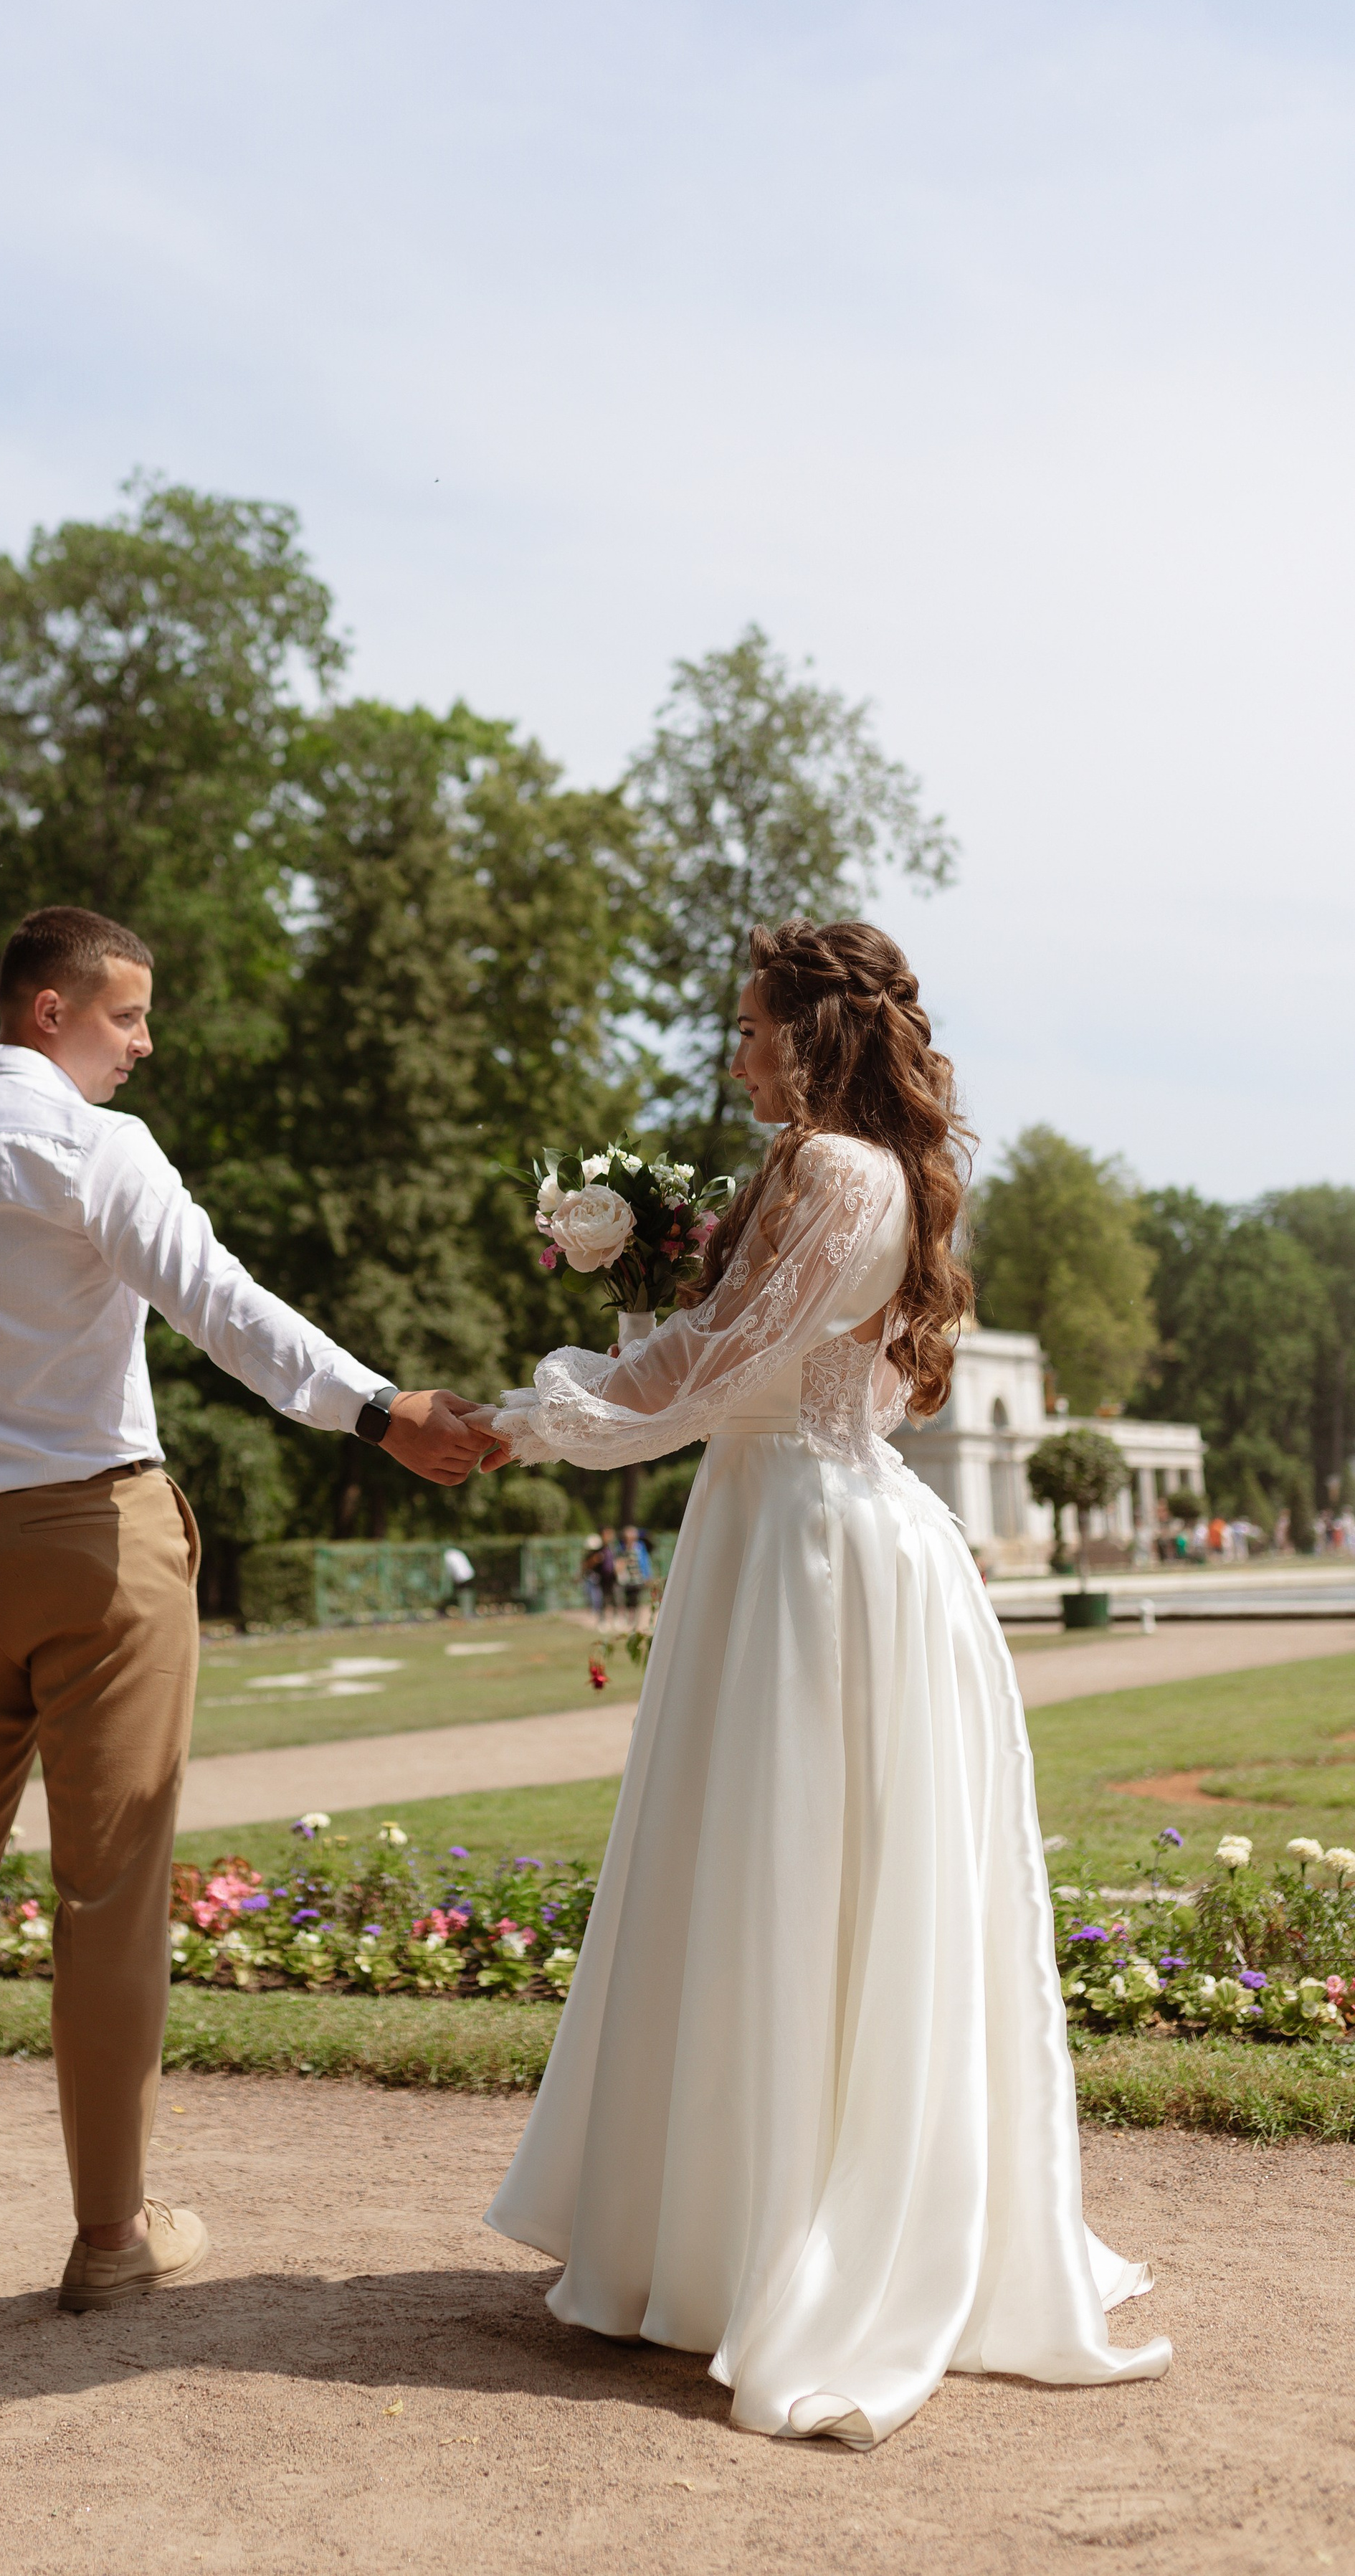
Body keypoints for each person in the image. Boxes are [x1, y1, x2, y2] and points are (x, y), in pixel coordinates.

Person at [467, 917, 1170, 2448]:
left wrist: (530, 1419)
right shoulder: (824, 1168)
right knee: (744, 1872)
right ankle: (718, 2238)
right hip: (771, 1527)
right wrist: (594, 1370)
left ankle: (780, 2248)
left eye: (750, 1028)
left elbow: (716, 1365)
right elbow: (719, 1351)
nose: (734, 1056)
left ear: (810, 1033)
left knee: (789, 1877)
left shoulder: (843, 1174)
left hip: (814, 1553)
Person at [0, 906, 492, 2328]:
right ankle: (110, 2235)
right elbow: (220, 1306)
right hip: (93, 1543)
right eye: (126, 1016)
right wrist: (378, 1410)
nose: (142, 1043)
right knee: (110, 1893)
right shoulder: (92, 1147)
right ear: (50, 1009)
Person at [441, 1542, 476, 1619]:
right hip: (469, 1573)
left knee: (464, 1593)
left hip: (461, 1576)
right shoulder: (457, 1552)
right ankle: (467, 1611)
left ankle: (467, 1612)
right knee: (466, 1592)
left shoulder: (448, 1555)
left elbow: (449, 1569)